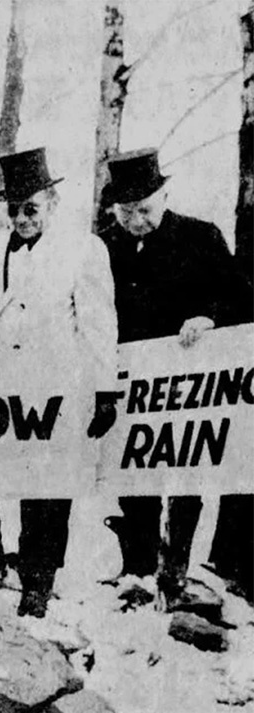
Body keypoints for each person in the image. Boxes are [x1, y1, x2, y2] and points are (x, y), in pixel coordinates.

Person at [0, 148, 118, 618]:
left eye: (31, 209)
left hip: (57, 385)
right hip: (3, 383)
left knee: (46, 485)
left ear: (52, 203)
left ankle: (38, 576)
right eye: (14, 209)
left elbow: (98, 325)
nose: (22, 219)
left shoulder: (83, 250)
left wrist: (104, 391)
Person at [97, 148, 253, 603]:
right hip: (131, 386)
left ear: (164, 197)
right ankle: (139, 570)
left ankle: (176, 569)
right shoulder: (101, 247)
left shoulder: (200, 236)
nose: (137, 220)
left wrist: (209, 317)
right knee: (133, 475)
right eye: (126, 212)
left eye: (145, 209)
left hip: (189, 389)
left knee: (185, 477)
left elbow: (241, 299)